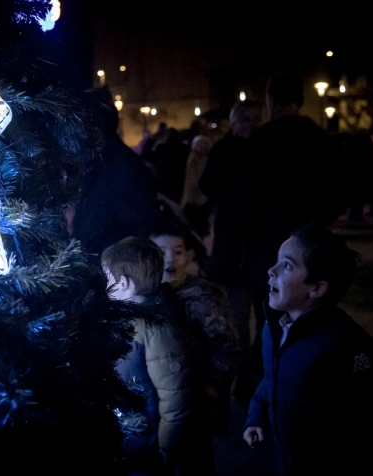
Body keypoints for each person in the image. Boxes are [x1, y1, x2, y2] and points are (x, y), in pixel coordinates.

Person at [243, 223, 373, 476]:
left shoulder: (345, 344)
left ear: (318, 288)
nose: (271, 270)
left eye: (287, 265)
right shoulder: (275, 327)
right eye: (277, 261)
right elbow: (272, 378)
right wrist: (256, 417)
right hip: (289, 461)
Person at [239, 73, 348, 389]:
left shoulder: (261, 141)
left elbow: (244, 199)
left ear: (272, 101)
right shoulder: (320, 140)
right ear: (300, 101)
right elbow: (339, 193)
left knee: (270, 313)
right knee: (313, 310)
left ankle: (269, 379)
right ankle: (309, 375)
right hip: (312, 246)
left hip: (268, 245)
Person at [102, 237, 193, 475]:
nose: (104, 285)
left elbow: (175, 397)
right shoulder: (117, 321)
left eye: (107, 278)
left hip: (147, 441)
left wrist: (168, 447)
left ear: (123, 283)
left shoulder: (157, 330)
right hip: (125, 434)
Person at [149, 222, 240, 456]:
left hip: (196, 400)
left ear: (188, 256)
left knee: (195, 457)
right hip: (160, 400)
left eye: (178, 251)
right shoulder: (145, 294)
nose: (170, 259)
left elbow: (227, 345)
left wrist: (210, 386)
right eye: (161, 252)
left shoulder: (202, 297)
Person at [199, 99, 264, 402]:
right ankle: (244, 374)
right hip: (233, 245)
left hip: (260, 244)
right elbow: (208, 183)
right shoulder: (226, 150)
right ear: (235, 122)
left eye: (255, 119)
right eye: (246, 120)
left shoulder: (266, 147)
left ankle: (257, 369)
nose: (251, 125)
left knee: (264, 314)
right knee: (237, 315)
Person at [72, 87, 161, 257]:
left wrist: (104, 256)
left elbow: (143, 227)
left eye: (78, 124)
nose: (72, 133)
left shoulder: (125, 170)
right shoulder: (98, 163)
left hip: (112, 275)